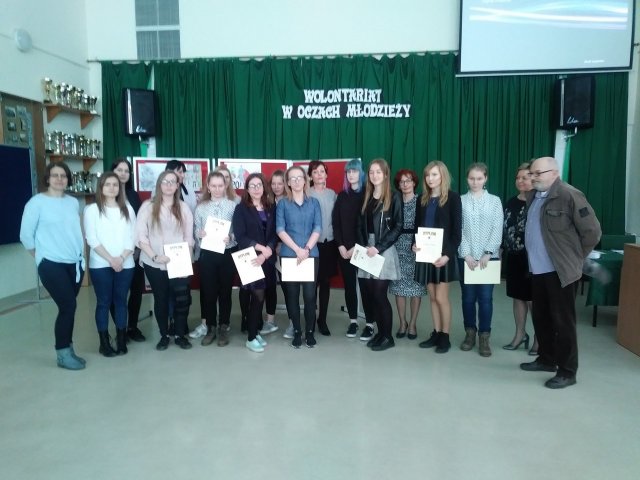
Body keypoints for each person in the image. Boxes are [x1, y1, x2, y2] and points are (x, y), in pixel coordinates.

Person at [520, 156, 601, 389]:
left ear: (554, 173)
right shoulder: (534, 196)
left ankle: (567, 371)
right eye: (532, 173)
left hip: (559, 272)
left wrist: (576, 257)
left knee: (563, 322)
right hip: (538, 270)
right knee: (541, 318)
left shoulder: (569, 195)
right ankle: (547, 359)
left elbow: (593, 232)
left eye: (538, 173)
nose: (533, 177)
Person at [20, 162, 86, 370]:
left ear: (68, 179)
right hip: (51, 264)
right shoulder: (36, 203)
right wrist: (41, 258)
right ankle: (62, 354)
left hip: (73, 263)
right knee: (68, 306)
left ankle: (69, 349)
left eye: (63, 175)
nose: (59, 179)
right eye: (55, 175)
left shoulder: (72, 202)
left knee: (69, 307)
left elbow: (73, 232)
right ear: (47, 179)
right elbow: (25, 235)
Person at [136, 170, 194, 351]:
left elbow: (189, 237)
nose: (169, 185)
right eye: (165, 182)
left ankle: (180, 334)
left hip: (179, 262)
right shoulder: (147, 206)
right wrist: (155, 256)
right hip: (154, 262)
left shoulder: (183, 208)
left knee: (182, 300)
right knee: (161, 299)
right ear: (159, 184)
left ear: (177, 186)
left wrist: (187, 261)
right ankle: (164, 335)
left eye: (172, 182)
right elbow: (140, 237)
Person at [84, 172, 136, 357]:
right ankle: (104, 343)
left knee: (121, 301)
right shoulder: (92, 210)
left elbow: (133, 236)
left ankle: (121, 340)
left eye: (115, 184)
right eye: (107, 184)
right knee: (104, 302)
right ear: (101, 187)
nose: (112, 188)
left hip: (125, 263)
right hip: (100, 264)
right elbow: (91, 238)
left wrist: (121, 258)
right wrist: (111, 259)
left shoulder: (128, 209)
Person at [414, 161, 462, 354]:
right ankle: (436, 332)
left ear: (443, 176)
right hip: (426, 255)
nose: (430, 178)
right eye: (427, 175)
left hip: (443, 257)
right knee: (432, 297)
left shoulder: (453, 198)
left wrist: (447, 255)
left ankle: (445, 336)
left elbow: (457, 233)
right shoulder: (422, 199)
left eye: (434, 174)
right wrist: (414, 244)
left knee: (442, 298)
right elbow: (418, 227)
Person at [357, 158, 403, 351]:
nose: (374, 175)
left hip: (383, 249)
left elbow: (398, 226)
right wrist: (363, 247)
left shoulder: (394, 196)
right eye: (371, 172)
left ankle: (388, 337)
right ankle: (380, 333)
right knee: (371, 295)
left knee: (379, 294)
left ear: (385, 174)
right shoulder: (366, 195)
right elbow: (360, 224)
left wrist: (379, 247)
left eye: (378, 172)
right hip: (367, 249)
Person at [458, 162, 503, 357]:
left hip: (487, 259)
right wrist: (466, 254)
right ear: (466, 179)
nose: (475, 182)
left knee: (485, 299)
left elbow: (497, 227)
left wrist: (488, 253)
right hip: (466, 258)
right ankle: (470, 333)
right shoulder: (460, 201)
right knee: (468, 299)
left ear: (486, 179)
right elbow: (458, 229)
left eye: (479, 178)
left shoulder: (495, 201)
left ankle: (484, 336)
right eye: (471, 178)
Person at [276, 166, 321, 348]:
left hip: (311, 255)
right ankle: (296, 331)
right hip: (290, 255)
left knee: (310, 296)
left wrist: (307, 249)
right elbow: (280, 229)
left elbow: (317, 227)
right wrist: (297, 250)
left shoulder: (314, 203)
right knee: (292, 296)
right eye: (292, 178)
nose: (296, 181)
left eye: (299, 177)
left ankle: (309, 332)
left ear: (305, 180)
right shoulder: (282, 204)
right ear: (288, 182)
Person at [232, 173, 277, 353]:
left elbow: (274, 233)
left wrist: (267, 252)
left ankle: (255, 332)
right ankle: (251, 338)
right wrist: (261, 249)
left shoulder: (271, 206)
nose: (256, 188)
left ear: (264, 187)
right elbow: (240, 236)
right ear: (247, 189)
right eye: (252, 185)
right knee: (257, 297)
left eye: (259, 185)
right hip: (249, 258)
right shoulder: (241, 209)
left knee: (262, 297)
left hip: (266, 258)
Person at [193, 171, 237, 347]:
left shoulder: (233, 206)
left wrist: (231, 237)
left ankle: (224, 327)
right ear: (208, 187)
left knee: (225, 292)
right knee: (209, 292)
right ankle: (210, 328)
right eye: (214, 186)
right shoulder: (201, 207)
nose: (217, 189)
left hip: (227, 253)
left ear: (225, 186)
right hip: (208, 254)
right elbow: (196, 229)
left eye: (220, 185)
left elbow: (239, 230)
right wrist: (200, 234)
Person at [502, 162, 538, 353]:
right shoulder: (511, 202)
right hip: (514, 257)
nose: (520, 181)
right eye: (518, 177)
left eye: (525, 177)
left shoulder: (539, 201)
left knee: (533, 299)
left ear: (534, 178)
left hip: (532, 259)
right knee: (517, 297)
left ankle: (540, 338)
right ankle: (520, 334)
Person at [111, 158, 146, 342]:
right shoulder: (107, 195)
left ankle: (132, 326)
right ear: (112, 171)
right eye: (119, 170)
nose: (123, 174)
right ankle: (120, 328)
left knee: (136, 290)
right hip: (113, 254)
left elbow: (140, 223)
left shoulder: (133, 195)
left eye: (126, 171)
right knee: (116, 294)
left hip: (134, 252)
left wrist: (138, 248)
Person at [389, 169, 426, 340]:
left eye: (408, 181)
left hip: (417, 247)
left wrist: (420, 243)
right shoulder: (394, 200)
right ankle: (402, 322)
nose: (405, 184)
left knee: (416, 288)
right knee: (399, 288)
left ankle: (413, 324)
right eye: (401, 181)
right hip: (397, 246)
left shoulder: (421, 201)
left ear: (414, 183)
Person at [332, 159, 365, 338]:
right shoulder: (342, 196)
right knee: (350, 287)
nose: (351, 174)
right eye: (348, 172)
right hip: (344, 251)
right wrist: (341, 246)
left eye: (354, 171)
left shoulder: (367, 195)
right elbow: (336, 223)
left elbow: (368, 226)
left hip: (363, 249)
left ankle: (370, 323)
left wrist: (357, 248)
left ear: (361, 173)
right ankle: (353, 321)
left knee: (367, 287)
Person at [308, 160, 338, 336]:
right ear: (310, 176)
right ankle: (311, 319)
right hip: (311, 245)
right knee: (311, 284)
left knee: (325, 283)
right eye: (315, 172)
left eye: (322, 171)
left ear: (326, 174)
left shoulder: (332, 194)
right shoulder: (306, 193)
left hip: (329, 243)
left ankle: (323, 319)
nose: (319, 175)